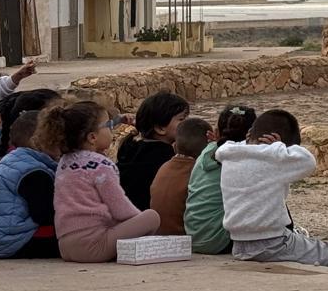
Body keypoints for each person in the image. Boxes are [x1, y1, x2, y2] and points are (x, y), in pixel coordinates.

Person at [218, 108, 328, 269]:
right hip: (271, 244)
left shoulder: (231, 154)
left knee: (314, 246)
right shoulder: (271, 157)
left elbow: (251, 149)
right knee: (323, 254)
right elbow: (308, 161)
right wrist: (277, 147)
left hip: (240, 243)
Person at [43, 99, 160, 262]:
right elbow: (121, 209)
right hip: (94, 246)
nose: (112, 130)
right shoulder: (100, 165)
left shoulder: (65, 162)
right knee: (151, 217)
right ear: (92, 137)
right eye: (109, 126)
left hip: (65, 246)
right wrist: (139, 222)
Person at [0, 108, 61, 259]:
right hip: (14, 241)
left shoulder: (14, 160)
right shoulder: (34, 171)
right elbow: (45, 215)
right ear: (38, 140)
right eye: (57, 137)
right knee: (76, 238)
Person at [186, 104, 255, 255]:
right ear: (251, 134)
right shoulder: (243, 158)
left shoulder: (206, 152)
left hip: (194, 237)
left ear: (216, 132)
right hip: (219, 241)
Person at [116, 91, 189, 209]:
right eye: (181, 119)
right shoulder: (165, 158)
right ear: (160, 128)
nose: (187, 124)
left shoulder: (132, 148)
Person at [149, 117, 209, 236]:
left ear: (175, 146)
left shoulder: (164, 166)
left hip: (158, 233)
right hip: (182, 238)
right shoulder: (198, 172)